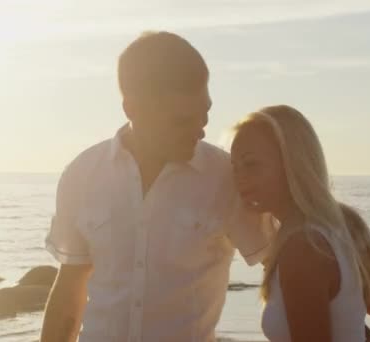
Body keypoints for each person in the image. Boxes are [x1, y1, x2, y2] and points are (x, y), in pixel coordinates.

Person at [40, 31, 271, 342]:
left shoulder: (226, 177)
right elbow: (71, 283)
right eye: (181, 120)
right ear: (131, 108)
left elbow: (286, 264)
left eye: (204, 114)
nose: (199, 131)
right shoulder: (82, 175)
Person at [230, 105, 370, 342]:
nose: (239, 177)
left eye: (251, 164)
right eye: (234, 166)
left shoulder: (302, 247)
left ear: (293, 162)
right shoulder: (344, 222)